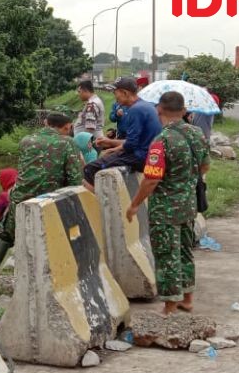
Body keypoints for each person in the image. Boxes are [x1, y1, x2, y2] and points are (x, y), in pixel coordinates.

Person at [0, 112, 84, 297]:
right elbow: (75, 180)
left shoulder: (26, 141)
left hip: (20, 200)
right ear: (67, 127)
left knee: (4, 235)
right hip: (49, 202)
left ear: (45, 123)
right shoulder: (68, 143)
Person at [125, 92, 210, 316]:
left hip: (165, 209)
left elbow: (152, 179)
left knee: (166, 255)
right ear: (183, 110)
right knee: (184, 252)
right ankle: (187, 299)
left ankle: (170, 306)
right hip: (188, 206)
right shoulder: (197, 134)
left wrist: (134, 204)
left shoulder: (161, 141)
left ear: (159, 109)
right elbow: (204, 168)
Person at [85, 78, 163, 190]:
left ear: (125, 93)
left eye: (115, 93)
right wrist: (112, 145)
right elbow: (137, 140)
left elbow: (131, 144)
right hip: (149, 155)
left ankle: (101, 204)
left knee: (89, 168)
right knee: (109, 155)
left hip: (140, 157)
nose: (115, 97)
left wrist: (115, 149)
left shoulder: (135, 110)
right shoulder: (146, 106)